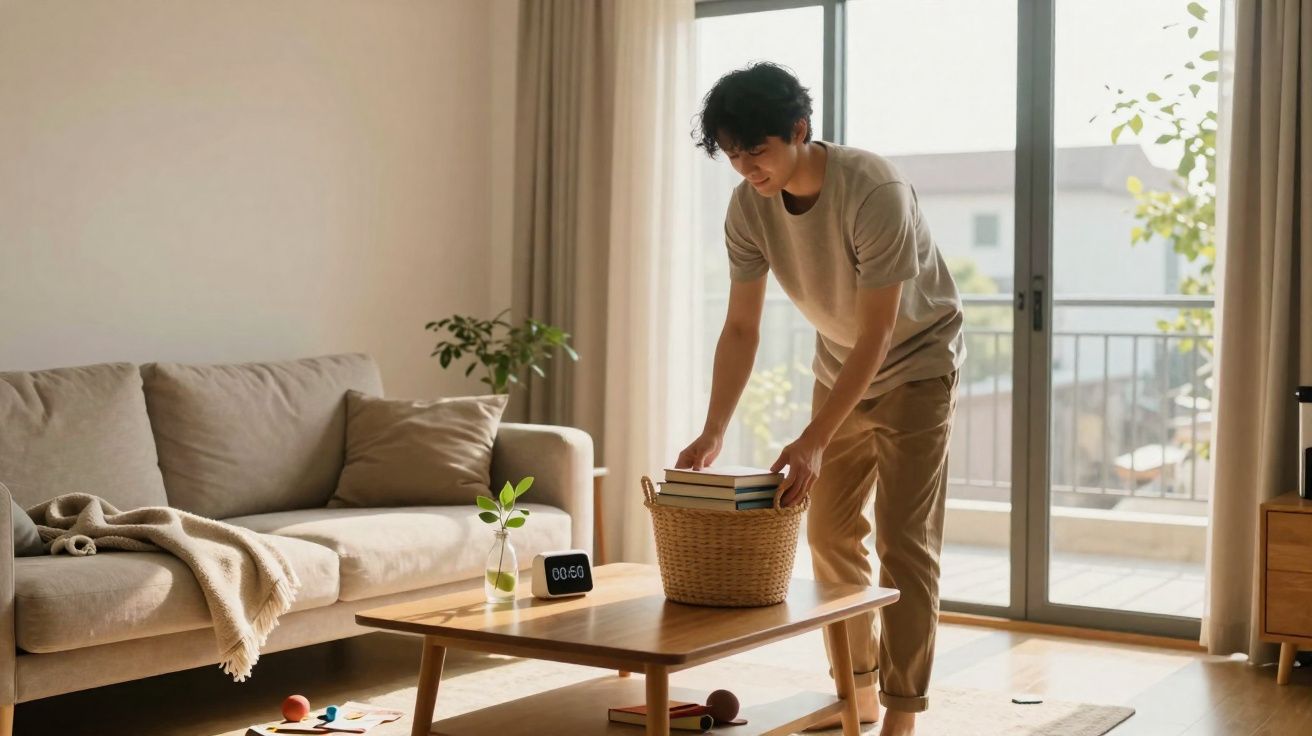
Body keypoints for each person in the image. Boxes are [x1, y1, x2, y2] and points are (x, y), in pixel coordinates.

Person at [675, 62, 964, 736]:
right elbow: (742, 325)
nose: (746, 167)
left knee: (904, 543)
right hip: (841, 366)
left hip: (917, 365)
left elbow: (881, 331)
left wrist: (812, 438)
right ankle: (855, 691)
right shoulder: (748, 207)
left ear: (799, 131)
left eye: (758, 149)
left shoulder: (873, 189)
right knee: (829, 532)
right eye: (733, 153)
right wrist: (715, 429)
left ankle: (902, 712)